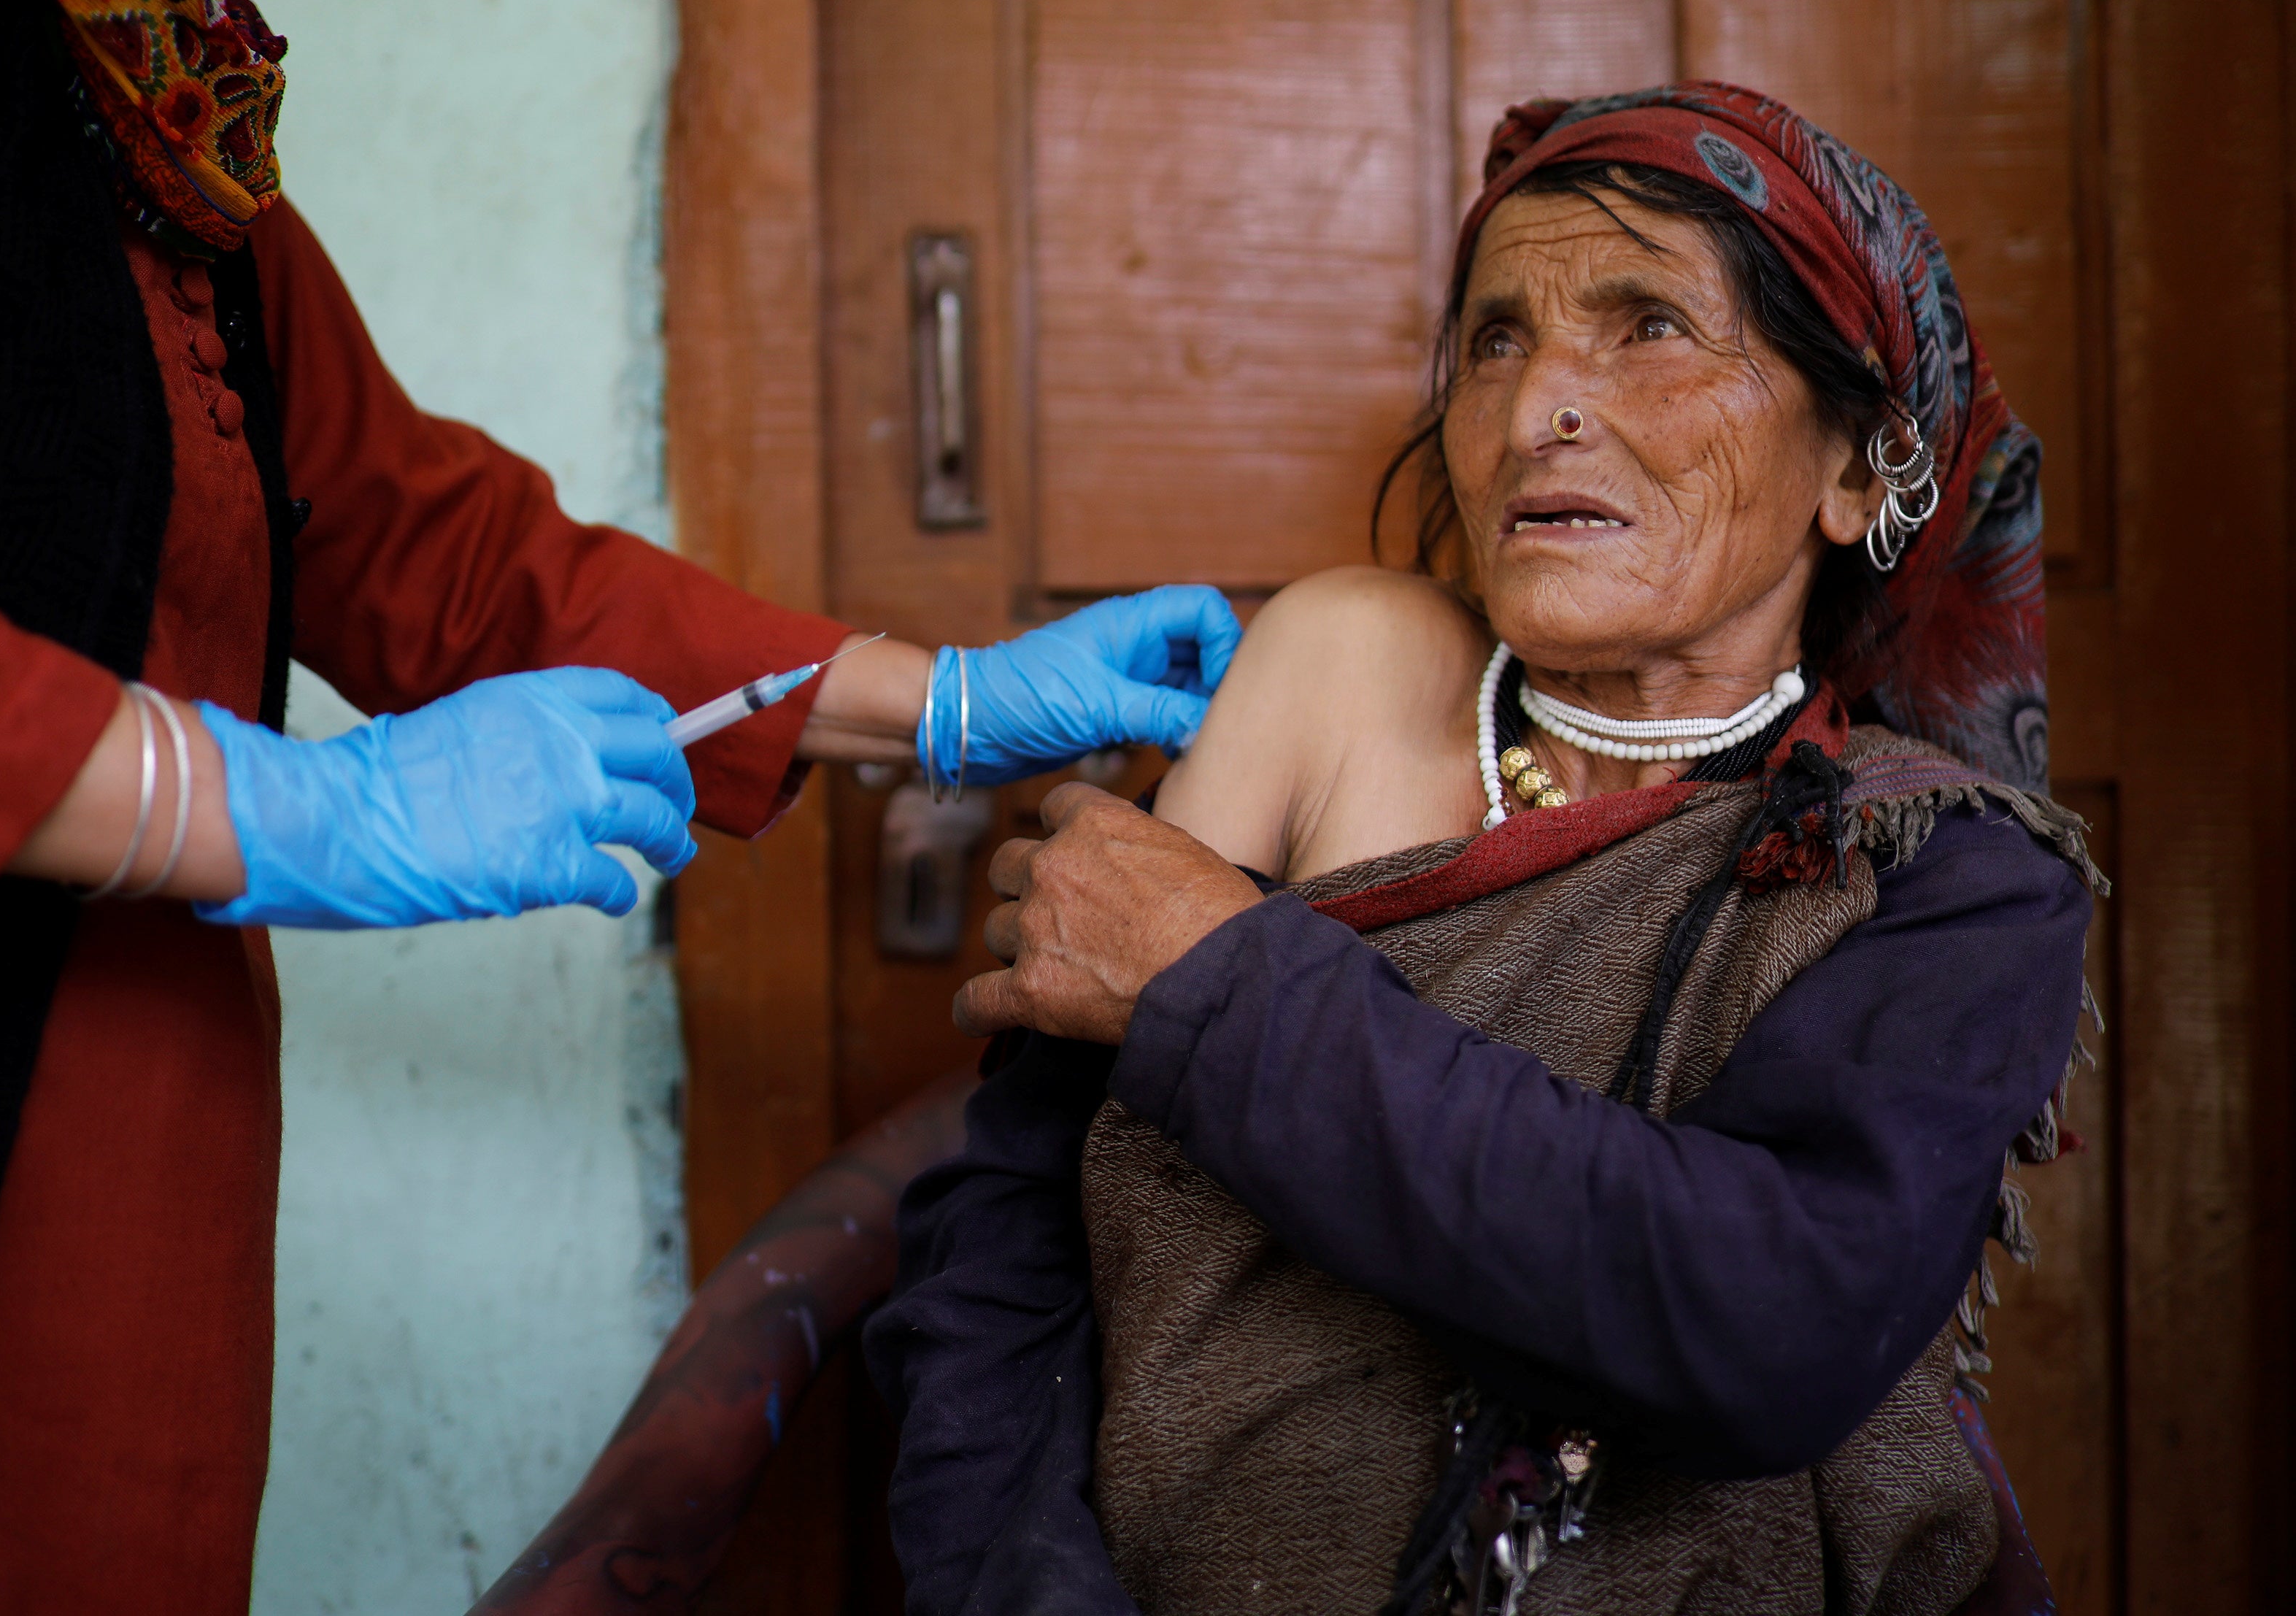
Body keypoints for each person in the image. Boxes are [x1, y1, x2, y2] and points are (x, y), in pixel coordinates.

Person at [0, 0, 1238, 1614]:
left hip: (138, 1183)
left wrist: (937, 701)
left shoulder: (124, 49)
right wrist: (266, 805)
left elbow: (420, 542)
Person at [868, 83, 2102, 1615]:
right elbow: (1010, 1242)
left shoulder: (1944, 873)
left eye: (1649, 324)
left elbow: (1761, 1329)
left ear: (1856, 465)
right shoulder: (1343, 665)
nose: (1532, 417)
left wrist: (1217, 983)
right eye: (1496, 341)